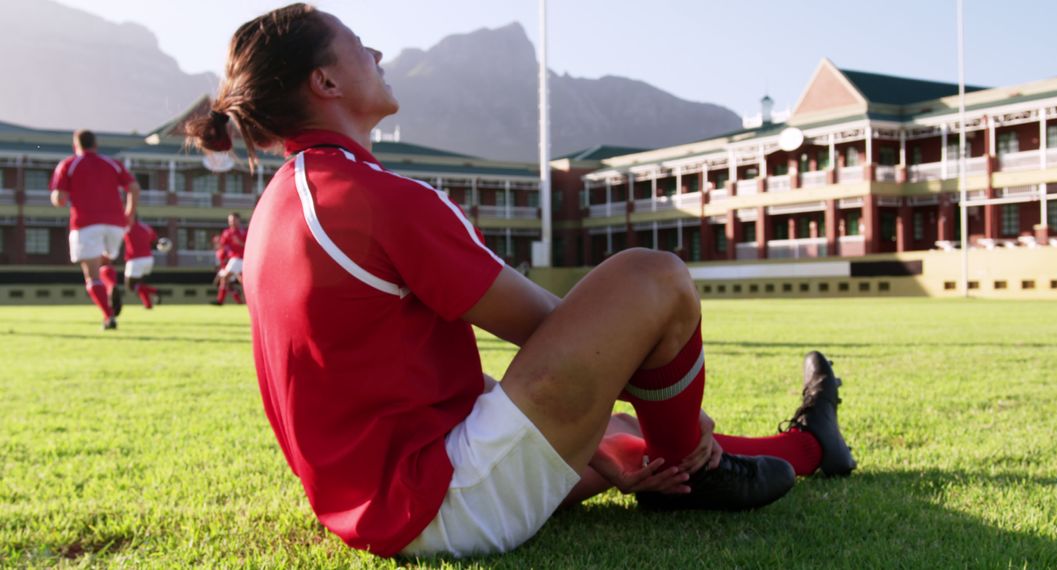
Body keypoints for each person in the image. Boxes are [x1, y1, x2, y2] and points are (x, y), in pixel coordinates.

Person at [187, 4, 855, 558]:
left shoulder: (280, 205)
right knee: (654, 277)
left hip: (378, 501)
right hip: (443, 500)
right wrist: (680, 417)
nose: (379, 54)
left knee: (620, 430)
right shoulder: (366, 196)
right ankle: (696, 464)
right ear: (325, 82)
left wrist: (613, 432)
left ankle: (808, 444)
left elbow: (380, 386)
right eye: (361, 47)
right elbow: (547, 328)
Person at [50, 129, 140, 330]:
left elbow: (60, 198)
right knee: (105, 262)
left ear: (76, 145)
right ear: (95, 145)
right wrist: (130, 213)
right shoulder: (113, 163)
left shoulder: (69, 164)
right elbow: (134, 188)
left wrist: (56, 198)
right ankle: (111, 285)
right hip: (116, 225)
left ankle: (109, 318)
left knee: (91, 275)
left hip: (86, 224)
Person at [122, 218, 161, 309]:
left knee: (130, 286)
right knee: (139, 284)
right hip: (148, 259)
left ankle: (154, 291)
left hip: (135, 259)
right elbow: (155, 240)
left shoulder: (126, 227)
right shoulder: (146, 227)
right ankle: (148, 305)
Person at [210, 213, 246, 305]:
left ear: (238, 220)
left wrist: (239, 242)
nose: (231, 222)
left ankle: (221, 301)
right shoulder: (227, 233)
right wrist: (218, 244)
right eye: (230, 220)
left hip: (240, 258)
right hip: (234, 259)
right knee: (236, 280)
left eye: (234, 220)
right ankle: (226, 301)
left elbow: (248, 246)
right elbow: (222, 246)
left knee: (227, 278)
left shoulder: (243, 232)